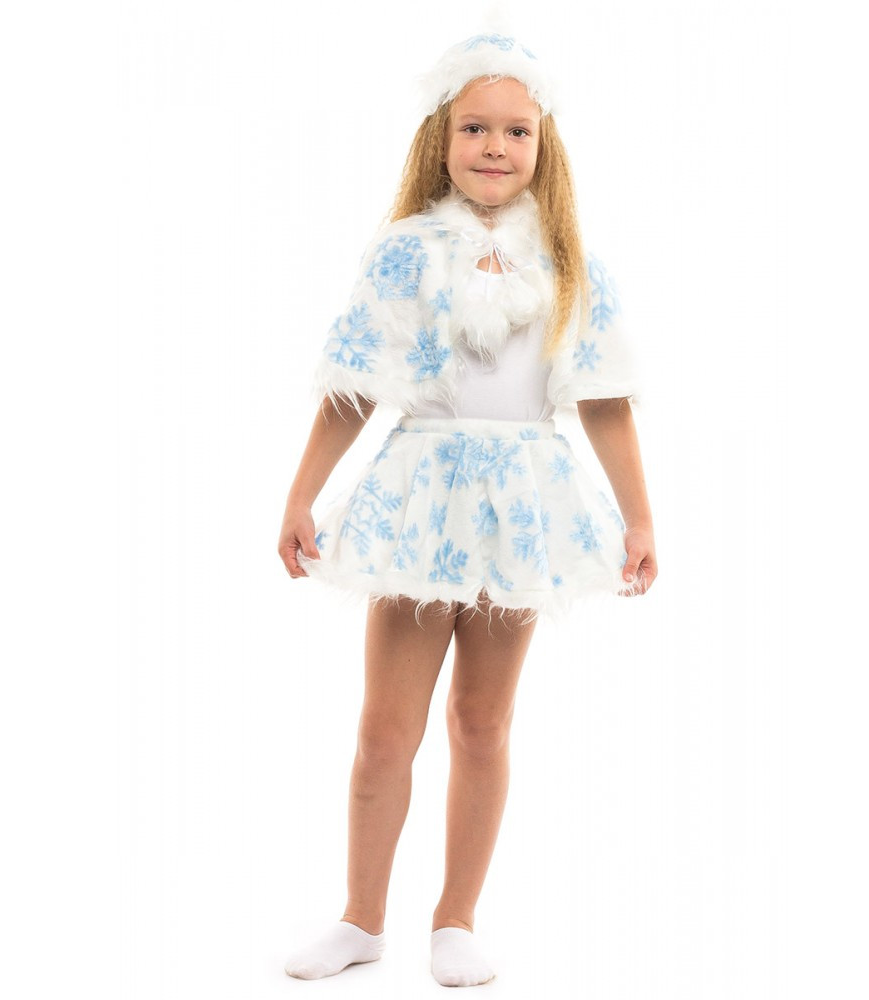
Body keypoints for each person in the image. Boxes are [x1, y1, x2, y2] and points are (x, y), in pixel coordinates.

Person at [277, 32, 657, 988]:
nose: (495, 146)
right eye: (474, 128)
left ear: (543, 144)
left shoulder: (568, 264)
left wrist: (640, 518)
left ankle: (456, 920)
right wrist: (301, 492)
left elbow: (604, 398)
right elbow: (356, 385)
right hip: (421, 498)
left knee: (483, 723)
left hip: (523, 503)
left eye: (516, 131)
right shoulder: (406, 254)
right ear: (440, 141)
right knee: (384, 730)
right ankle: (361, 919)